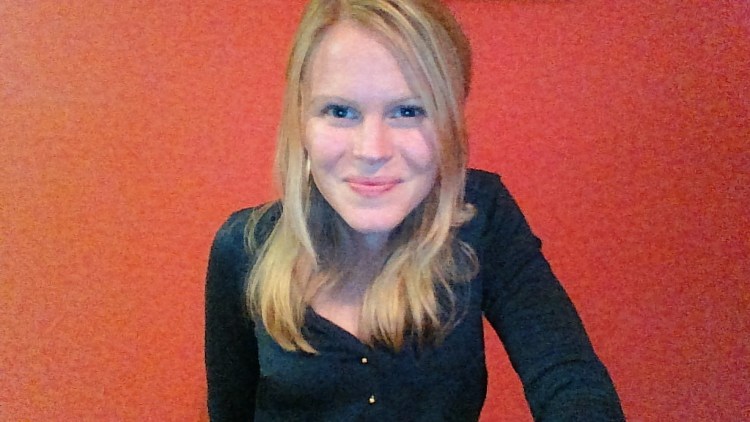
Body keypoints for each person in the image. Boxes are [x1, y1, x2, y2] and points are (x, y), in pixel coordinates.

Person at [205, 0, 625, 420]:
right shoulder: (244, 248)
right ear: (302, 120)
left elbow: (568, 375)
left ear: (449, 122)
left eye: (408, 111)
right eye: (340, 111)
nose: (372, 151)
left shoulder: (481, 215)